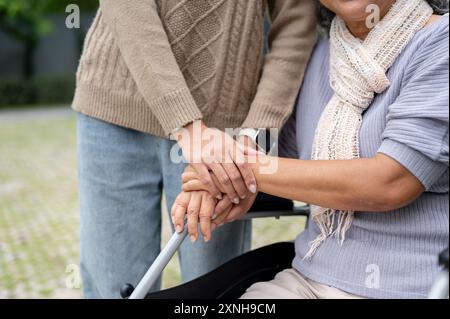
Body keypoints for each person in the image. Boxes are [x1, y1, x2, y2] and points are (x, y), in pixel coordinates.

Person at [175, 0, 449, 299]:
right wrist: (216, 174)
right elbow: (283, 162)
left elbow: (390, 182)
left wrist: (245, 167)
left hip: (407, 288)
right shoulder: (319, 56)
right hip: (306, 280)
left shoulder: (440, 43)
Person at [72, 0, 317, 298]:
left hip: (224, 137)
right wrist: (187, 126)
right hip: (115, 110)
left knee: (212, 293)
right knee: (111, 286)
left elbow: (296, 22)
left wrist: (250, 145)